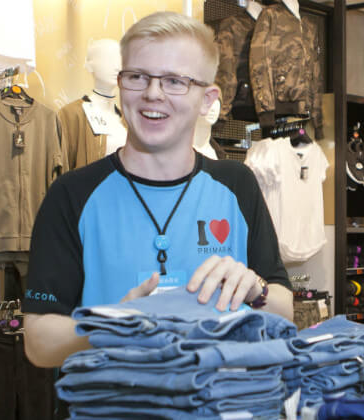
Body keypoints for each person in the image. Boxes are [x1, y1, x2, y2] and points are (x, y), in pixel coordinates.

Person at [22, 11, 294, 368]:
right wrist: (112, 327)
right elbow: (39, 343)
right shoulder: (72, 195)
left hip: (220, 402)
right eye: (138, 77)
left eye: (175, 81)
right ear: (120, 84)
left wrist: (256, 289)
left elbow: (283, 311)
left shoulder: (236, 184)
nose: (153, 94)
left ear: (208, 99)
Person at [59, 38, 126, 170]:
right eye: (108, 60)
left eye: (120, 61)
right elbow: (61, 168)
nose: (117, 67)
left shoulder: (127, 120)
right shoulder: (72, 114)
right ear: (89, 66)